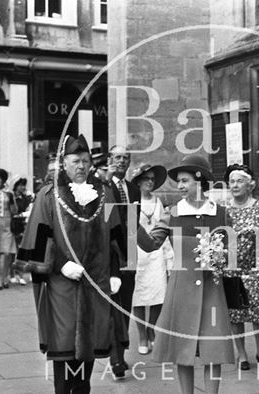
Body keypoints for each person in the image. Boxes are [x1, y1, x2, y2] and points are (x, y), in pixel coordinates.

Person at [13, 134, 125, 393]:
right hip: (61, 284)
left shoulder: (105, 193)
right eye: (76, 161)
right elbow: (38, 239)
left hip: (96, 281)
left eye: (86, 161)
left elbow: (118, 234)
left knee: (91, 343)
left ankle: (82, 388)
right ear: (64, 163)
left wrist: (116, 271)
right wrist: (61, 264)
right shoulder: (48, 195)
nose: (82, 166)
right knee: (63, 344)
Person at [137, 154, 234, 394]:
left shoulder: (221, 213)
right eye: (178, 181)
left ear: (200, 182)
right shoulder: (172, 213)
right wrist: (132, 223)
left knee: (214, 351)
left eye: (184, 181)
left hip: (212, 291)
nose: (179, 186)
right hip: (181, 292)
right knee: (182, 350)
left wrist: (223, 257)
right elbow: (151, 244)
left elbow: (233, 253)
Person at [223, 163, 259, 372]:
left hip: (256, 269)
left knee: (258, 311)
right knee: (236, 313)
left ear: (250, 185)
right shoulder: (224, 210)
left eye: (239, 181)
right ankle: (241, 354)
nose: (235, 185)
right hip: (232, 269)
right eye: (232, 182)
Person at [105, 145, 141, 379]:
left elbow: (134, 223)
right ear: (109, 159)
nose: (121, 161)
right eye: (117, 157)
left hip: (129, 252)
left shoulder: (132, 188)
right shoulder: (102, 185)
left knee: (126, 303)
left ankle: (121, 351)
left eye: (125, 158)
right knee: (113, 304)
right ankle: (116, 359)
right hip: (108, 253)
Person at [129, 163, 173, 355]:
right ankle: (142, 335)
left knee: (158, 294)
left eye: (153, 179)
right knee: (138, 296)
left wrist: (169, 257)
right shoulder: (132, 202)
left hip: (156, 253)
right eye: (146, 178)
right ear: (138, 181)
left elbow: (164, 229)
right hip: (137, 253)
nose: (150, 182)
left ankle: (151, 328)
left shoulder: (158, 202)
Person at [9, 176, 33, 286]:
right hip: (11, 225)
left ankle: (20, 274)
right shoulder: (11, 197)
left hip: (23, 225)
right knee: (11, 252)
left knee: (21, 251)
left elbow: (29, 208)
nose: (22, 187)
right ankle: (12, 274)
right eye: (20, 185)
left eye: (23, 185)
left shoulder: (26, 197)